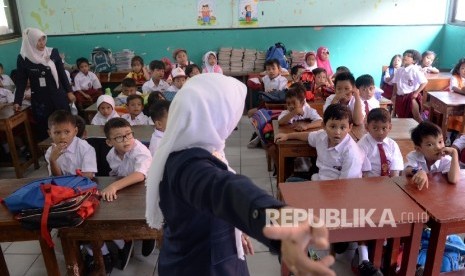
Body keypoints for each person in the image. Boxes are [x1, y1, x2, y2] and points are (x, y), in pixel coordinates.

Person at [145, 74, 335, 275]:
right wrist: (274, 217)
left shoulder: (196, 147)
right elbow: (222, 189)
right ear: (216, 116)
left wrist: (237, 228)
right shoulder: (187, 165)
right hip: (203, 265)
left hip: (215, 251)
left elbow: (216, 202)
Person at [101, 117, 153, 267]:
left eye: (129, 134)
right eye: (119, 137)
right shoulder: (111, 155)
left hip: (146, 188)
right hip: (127, 187)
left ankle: (149, 235)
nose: (126, 140)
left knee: (145, 214)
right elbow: (115, 175)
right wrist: (114, 186)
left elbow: (140, 175)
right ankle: (125, 239)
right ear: (109, 142)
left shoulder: (140, 151)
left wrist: (115, 186)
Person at [13, 28, 76, 141]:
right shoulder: (23, 58)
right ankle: (47, 154)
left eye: (43, 39)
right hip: (40, 99)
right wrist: (17, 101)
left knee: (65, 123)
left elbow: (62, 74)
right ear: (31, 41)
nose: (42, 43)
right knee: (44, 127)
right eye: (38, 41)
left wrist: (69, 92)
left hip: (58, 95)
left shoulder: (52, 52)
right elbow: (21, 81)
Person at [275, 103, 364, 181]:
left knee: (292, 186)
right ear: (324, 126)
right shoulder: (322, 136)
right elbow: (308, 136)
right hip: (319, 179)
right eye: (332, 126)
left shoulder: (351, 153)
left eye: (342, 127)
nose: (337, 132)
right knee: (291, 176)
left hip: (336, 190)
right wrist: (287, 136)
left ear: (350, 127)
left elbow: (347, 185)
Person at [404, 121, 460, 190]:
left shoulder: (446, 160)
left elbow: (453, 180)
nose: (438, 147)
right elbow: (407, 170)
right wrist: (419, 171)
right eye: (430, 144)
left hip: (438, 195)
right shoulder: (414, 156)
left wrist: (454, 153)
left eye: (440, 142)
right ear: (418, 149)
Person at [45, 110, 97, 178]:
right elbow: (58, 177)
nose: (62, 137)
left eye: (67, 132)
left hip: (82, 186)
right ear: (50, 134)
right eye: (57, 133)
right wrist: (52, 160)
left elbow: (88, 176)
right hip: (63, 186)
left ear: (75, 131)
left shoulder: (86, 149)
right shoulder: (51, 151)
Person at [359, 108, 404, 177]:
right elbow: (363, 172)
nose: (380, 133)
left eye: (384, 128)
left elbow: (395, 169)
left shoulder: (392, 144)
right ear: (367, 127)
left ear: (390, 127)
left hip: (389, 182)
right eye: (375, 128)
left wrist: (393, 184)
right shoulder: (362, 145)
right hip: (369, 182)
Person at [392, 49, 428, 122]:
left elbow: (424, 82)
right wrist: (393, 95)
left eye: (409, 56)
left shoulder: (414, 70)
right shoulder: (399, 70)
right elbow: (395, 83)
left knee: (416, 116)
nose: (405, 57)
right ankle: (405, 131)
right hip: (400, 96)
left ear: (414, 61)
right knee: (401, 116)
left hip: (410, 97)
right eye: (404, 55)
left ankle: (423, 131)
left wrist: (416, 93)